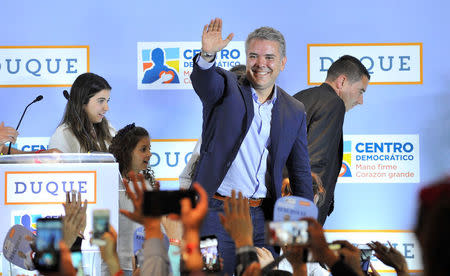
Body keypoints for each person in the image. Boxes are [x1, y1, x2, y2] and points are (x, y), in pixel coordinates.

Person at [190, 18, 313, 274]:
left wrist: (301, 233)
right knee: (208, 271)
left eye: (269, 57)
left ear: (282, 63)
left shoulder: (294, 110)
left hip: (263, 218)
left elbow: (300, 173)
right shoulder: (226, 88)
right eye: (254, 56)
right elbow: (205, 81)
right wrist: (208, 55)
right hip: (214, 212)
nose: (261, 64)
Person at [293, 55, 370, 225]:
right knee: (297, 252)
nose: (360, 100)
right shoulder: (334, 104)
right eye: (360, 91)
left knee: (280, 252)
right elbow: (315, 159)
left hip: (283, 205)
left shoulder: (301, 96)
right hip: (301, 211)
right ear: (342, 81)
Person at [108, 123, 160, 275]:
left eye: (149, 149)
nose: (149, 154)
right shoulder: (112, 186)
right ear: (127, 152)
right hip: (122, 267)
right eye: (143, 149)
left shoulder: (147, 184)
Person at [49, 72, 116, 153]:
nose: (106, 108)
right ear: (82, 101)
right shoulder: (63, 134)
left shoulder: (108, 128)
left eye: (107, 101)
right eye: (101, 101)